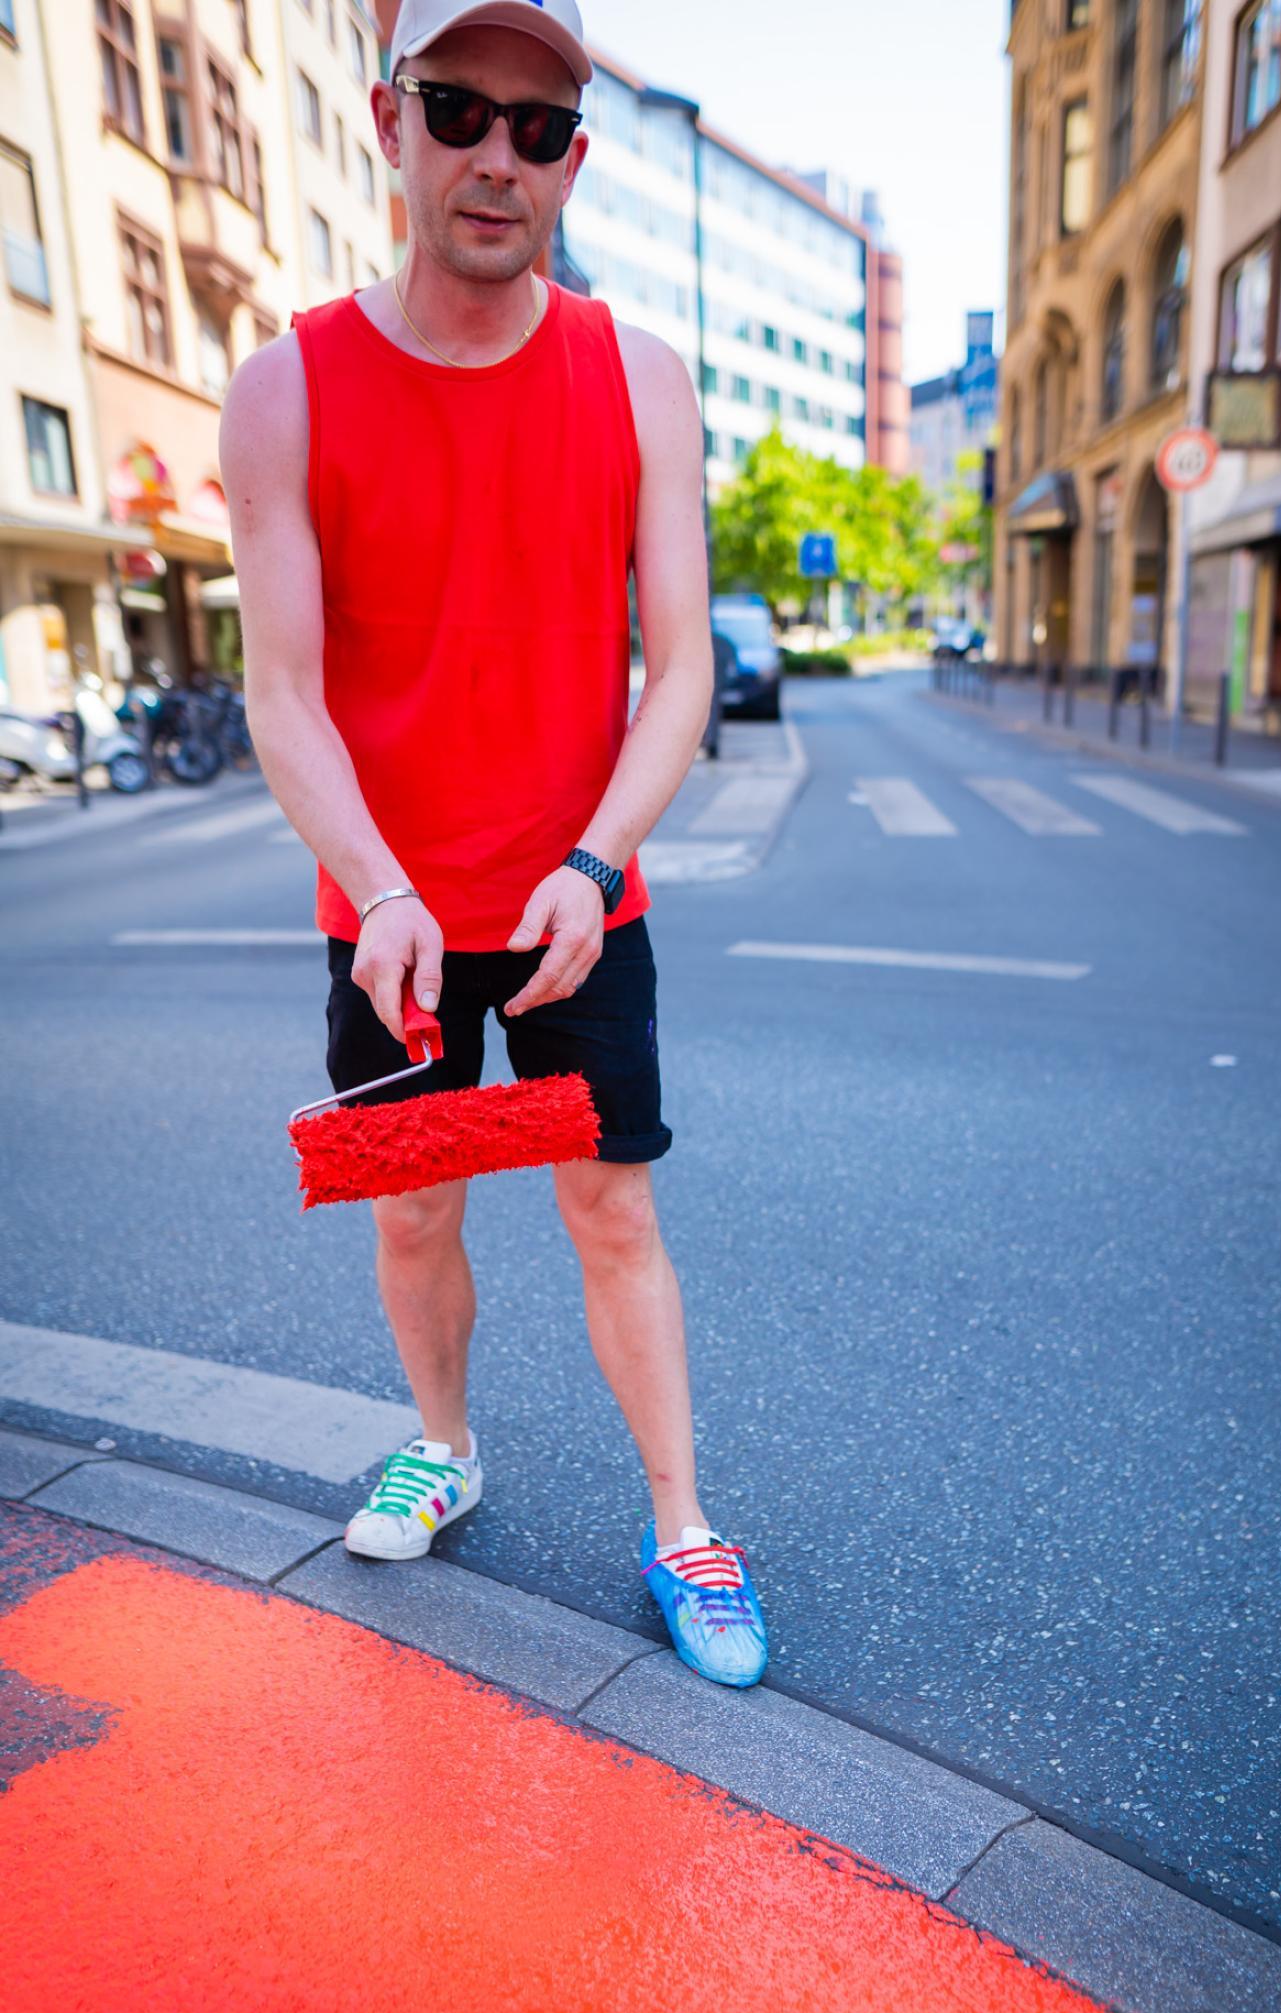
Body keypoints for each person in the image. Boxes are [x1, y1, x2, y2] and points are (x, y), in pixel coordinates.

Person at [219, 0, 767, 1688]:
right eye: (460, 110)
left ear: (572, 163)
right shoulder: (287, 384)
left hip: (573, 898)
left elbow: (679, 670)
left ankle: (682, 1524)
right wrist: (381, 885)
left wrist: (595, 864)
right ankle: (445, 1448)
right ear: (389, 124)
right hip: (384, 908)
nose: (494, 157)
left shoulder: (636, 377)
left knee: (609, 1206)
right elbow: (284, 695)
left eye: (537, 128)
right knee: (410, 1215)